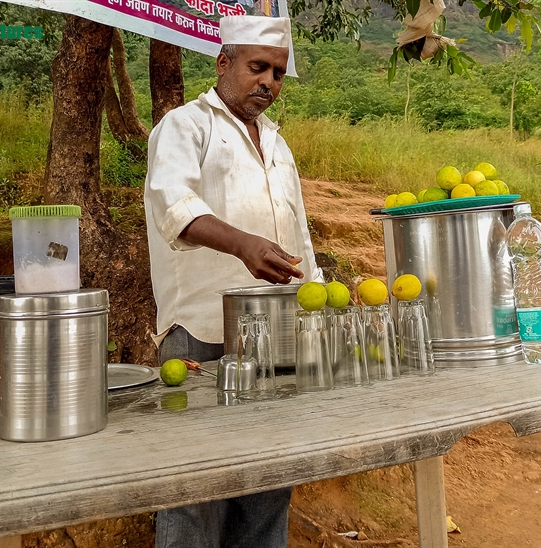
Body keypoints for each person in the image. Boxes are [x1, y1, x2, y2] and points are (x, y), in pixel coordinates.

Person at [144, 14, 323, 548]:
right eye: (257, 67)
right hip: (199, 328)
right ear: (224, 64)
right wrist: (244, 244)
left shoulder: (277, 142)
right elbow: (174, 208)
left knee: (268, 476)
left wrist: (314, 294)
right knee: (195, 483)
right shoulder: (184, 125)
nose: (268, 81)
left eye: (278, 73)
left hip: (274, 327)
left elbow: (299, 233)